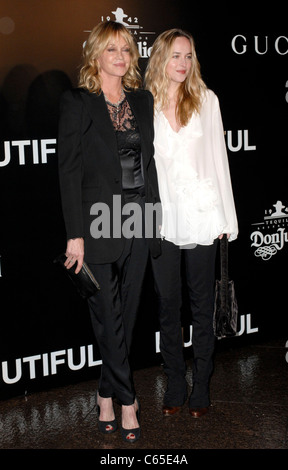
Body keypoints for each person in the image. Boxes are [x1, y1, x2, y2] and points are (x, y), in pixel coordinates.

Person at [57, 20, 160, 443]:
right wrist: (74, 234)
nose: (120, 57)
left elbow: (149, 163)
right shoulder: (78, 101)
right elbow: (68, 171)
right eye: (111, 49)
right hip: (98, 217)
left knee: (128, 315)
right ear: (96, 54)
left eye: (126, 50)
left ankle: (104, 393)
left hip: (139, 215)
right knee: (106, 316)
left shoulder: (142, 99)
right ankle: (128, 400)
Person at [145, 29, 238, 418]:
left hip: (202, 216)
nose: (182, 64)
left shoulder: (207, 100)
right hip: (162, 219)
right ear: (161, 58)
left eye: (188, 56)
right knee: (168, 307)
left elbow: (220, 158)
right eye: (175, 56)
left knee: (202, 307)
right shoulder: (143, 102)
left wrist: (227, 219)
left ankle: (201, 385)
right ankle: (175, 382)